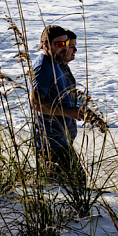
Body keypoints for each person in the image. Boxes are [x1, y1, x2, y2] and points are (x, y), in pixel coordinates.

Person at [30, 25, 86, 184]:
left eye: (66, 43)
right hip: (50, 141)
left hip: (59, 138)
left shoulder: (55, 64)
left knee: (64, 183)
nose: (65, 48)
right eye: (59, 44)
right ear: (46, 45)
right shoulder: (43, 67)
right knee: (75, 182)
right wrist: (68, 112)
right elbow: (35, 102)